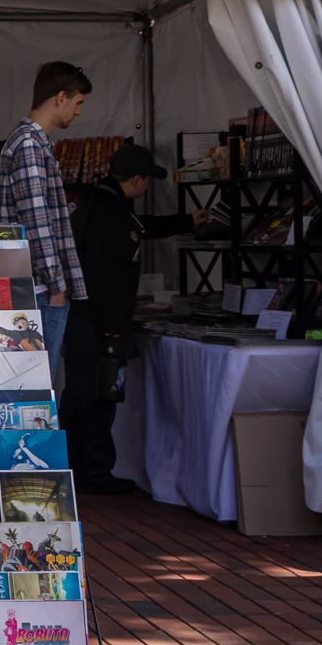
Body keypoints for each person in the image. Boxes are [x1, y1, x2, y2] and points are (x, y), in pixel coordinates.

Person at [63, 142, 208, 493]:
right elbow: (105, 273)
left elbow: (140, 227)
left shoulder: (99, 201)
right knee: (98, 398)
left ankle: (75, 468)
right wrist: (116, 325)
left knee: (80, 394)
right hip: (100, 321)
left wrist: (186, 221)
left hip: (83, 316)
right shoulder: (110, 211)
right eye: (147, 181)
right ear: (138, 179)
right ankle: (95, 474)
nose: (147, 189)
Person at [0, 61, 91, 373]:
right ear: (61, 97)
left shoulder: (31, 143)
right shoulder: (28, 144)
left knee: (30, 390)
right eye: (78, 103)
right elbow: (36, 223)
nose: (78, 112)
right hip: (37, 292)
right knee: (35, 392)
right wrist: (56, 287)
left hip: (36, 289)